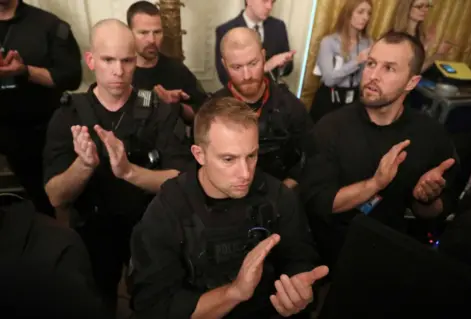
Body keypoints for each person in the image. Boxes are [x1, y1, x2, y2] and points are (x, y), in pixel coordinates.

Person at [43, 19, 191, 317]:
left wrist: (129, 172)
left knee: (154, 300)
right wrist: (84, 166)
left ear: (135, 61)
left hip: (150, 225)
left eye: (126, 60)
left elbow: (182, 180)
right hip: (94, 229)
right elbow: (56, 196)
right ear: (91, 60)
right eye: (108, 60)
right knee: (99, 300)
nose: (118, 71)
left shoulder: (157, 110)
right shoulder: (68, 114)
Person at [130, 97, 326, 319]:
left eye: (251, 156)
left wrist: (296, 289)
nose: (245, 173)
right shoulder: (168, 209)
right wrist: (234, 293)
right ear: (199, 155)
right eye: (228, 159)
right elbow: (154, 306)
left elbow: (300, 258)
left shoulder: (278, 197)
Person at [300, 31, 459, 269]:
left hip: (389, 253)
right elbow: (319, 203)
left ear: (411, 82)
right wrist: (375, 184)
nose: (373, 76)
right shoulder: (331, 127)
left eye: (389, 68)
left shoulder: (430, 135)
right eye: (371, 64)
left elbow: (433, 212)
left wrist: (426, 199)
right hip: (329, 253)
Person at [0, 0, 82, 216]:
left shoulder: (49, 26)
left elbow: (71, 77)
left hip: (36, 135)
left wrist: (25, 71)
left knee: (48, 206)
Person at [212, 27, 312, 188]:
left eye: (253, 63)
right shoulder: (213, 110)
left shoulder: (290, 105)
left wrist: (287, 187)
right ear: (224, 64)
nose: (247, 76)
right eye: (236, 67)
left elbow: (310, 153)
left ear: (264, 56)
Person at [127, 1, 208, 122]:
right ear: (129, 33)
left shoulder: (176, 69)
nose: (152, 40)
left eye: (157, 32)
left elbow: (204, 115)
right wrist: (152, 100)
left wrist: (176, 106)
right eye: (143, 33)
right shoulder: (121, 71)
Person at [310, 0, 373, 123]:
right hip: (329, 98)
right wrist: (357, 61)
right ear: (348, 14)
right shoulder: (329, 42)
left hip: (353, 100)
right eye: (360, 12)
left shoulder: (368, 43)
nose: (365, 17)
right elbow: (329, 79)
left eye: (368, 13)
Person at [215, 0, 295, 86]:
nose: (269, 7)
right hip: (240, 96)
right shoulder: (225, 30)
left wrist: (283, 65)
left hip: (272, 93)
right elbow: (224, 76)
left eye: (272, 2)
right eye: (265, 1)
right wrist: (265, 67)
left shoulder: (279, 26)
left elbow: (288, 69)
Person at [391, 0, 453, 72]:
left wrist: (427, 45)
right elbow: (414, 72)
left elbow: (420, 64)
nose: (425, 10)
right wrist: (438, 55)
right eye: (419, 6)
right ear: (407, 8)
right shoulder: (398, 37)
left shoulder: (419, 33)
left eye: (427, 6)